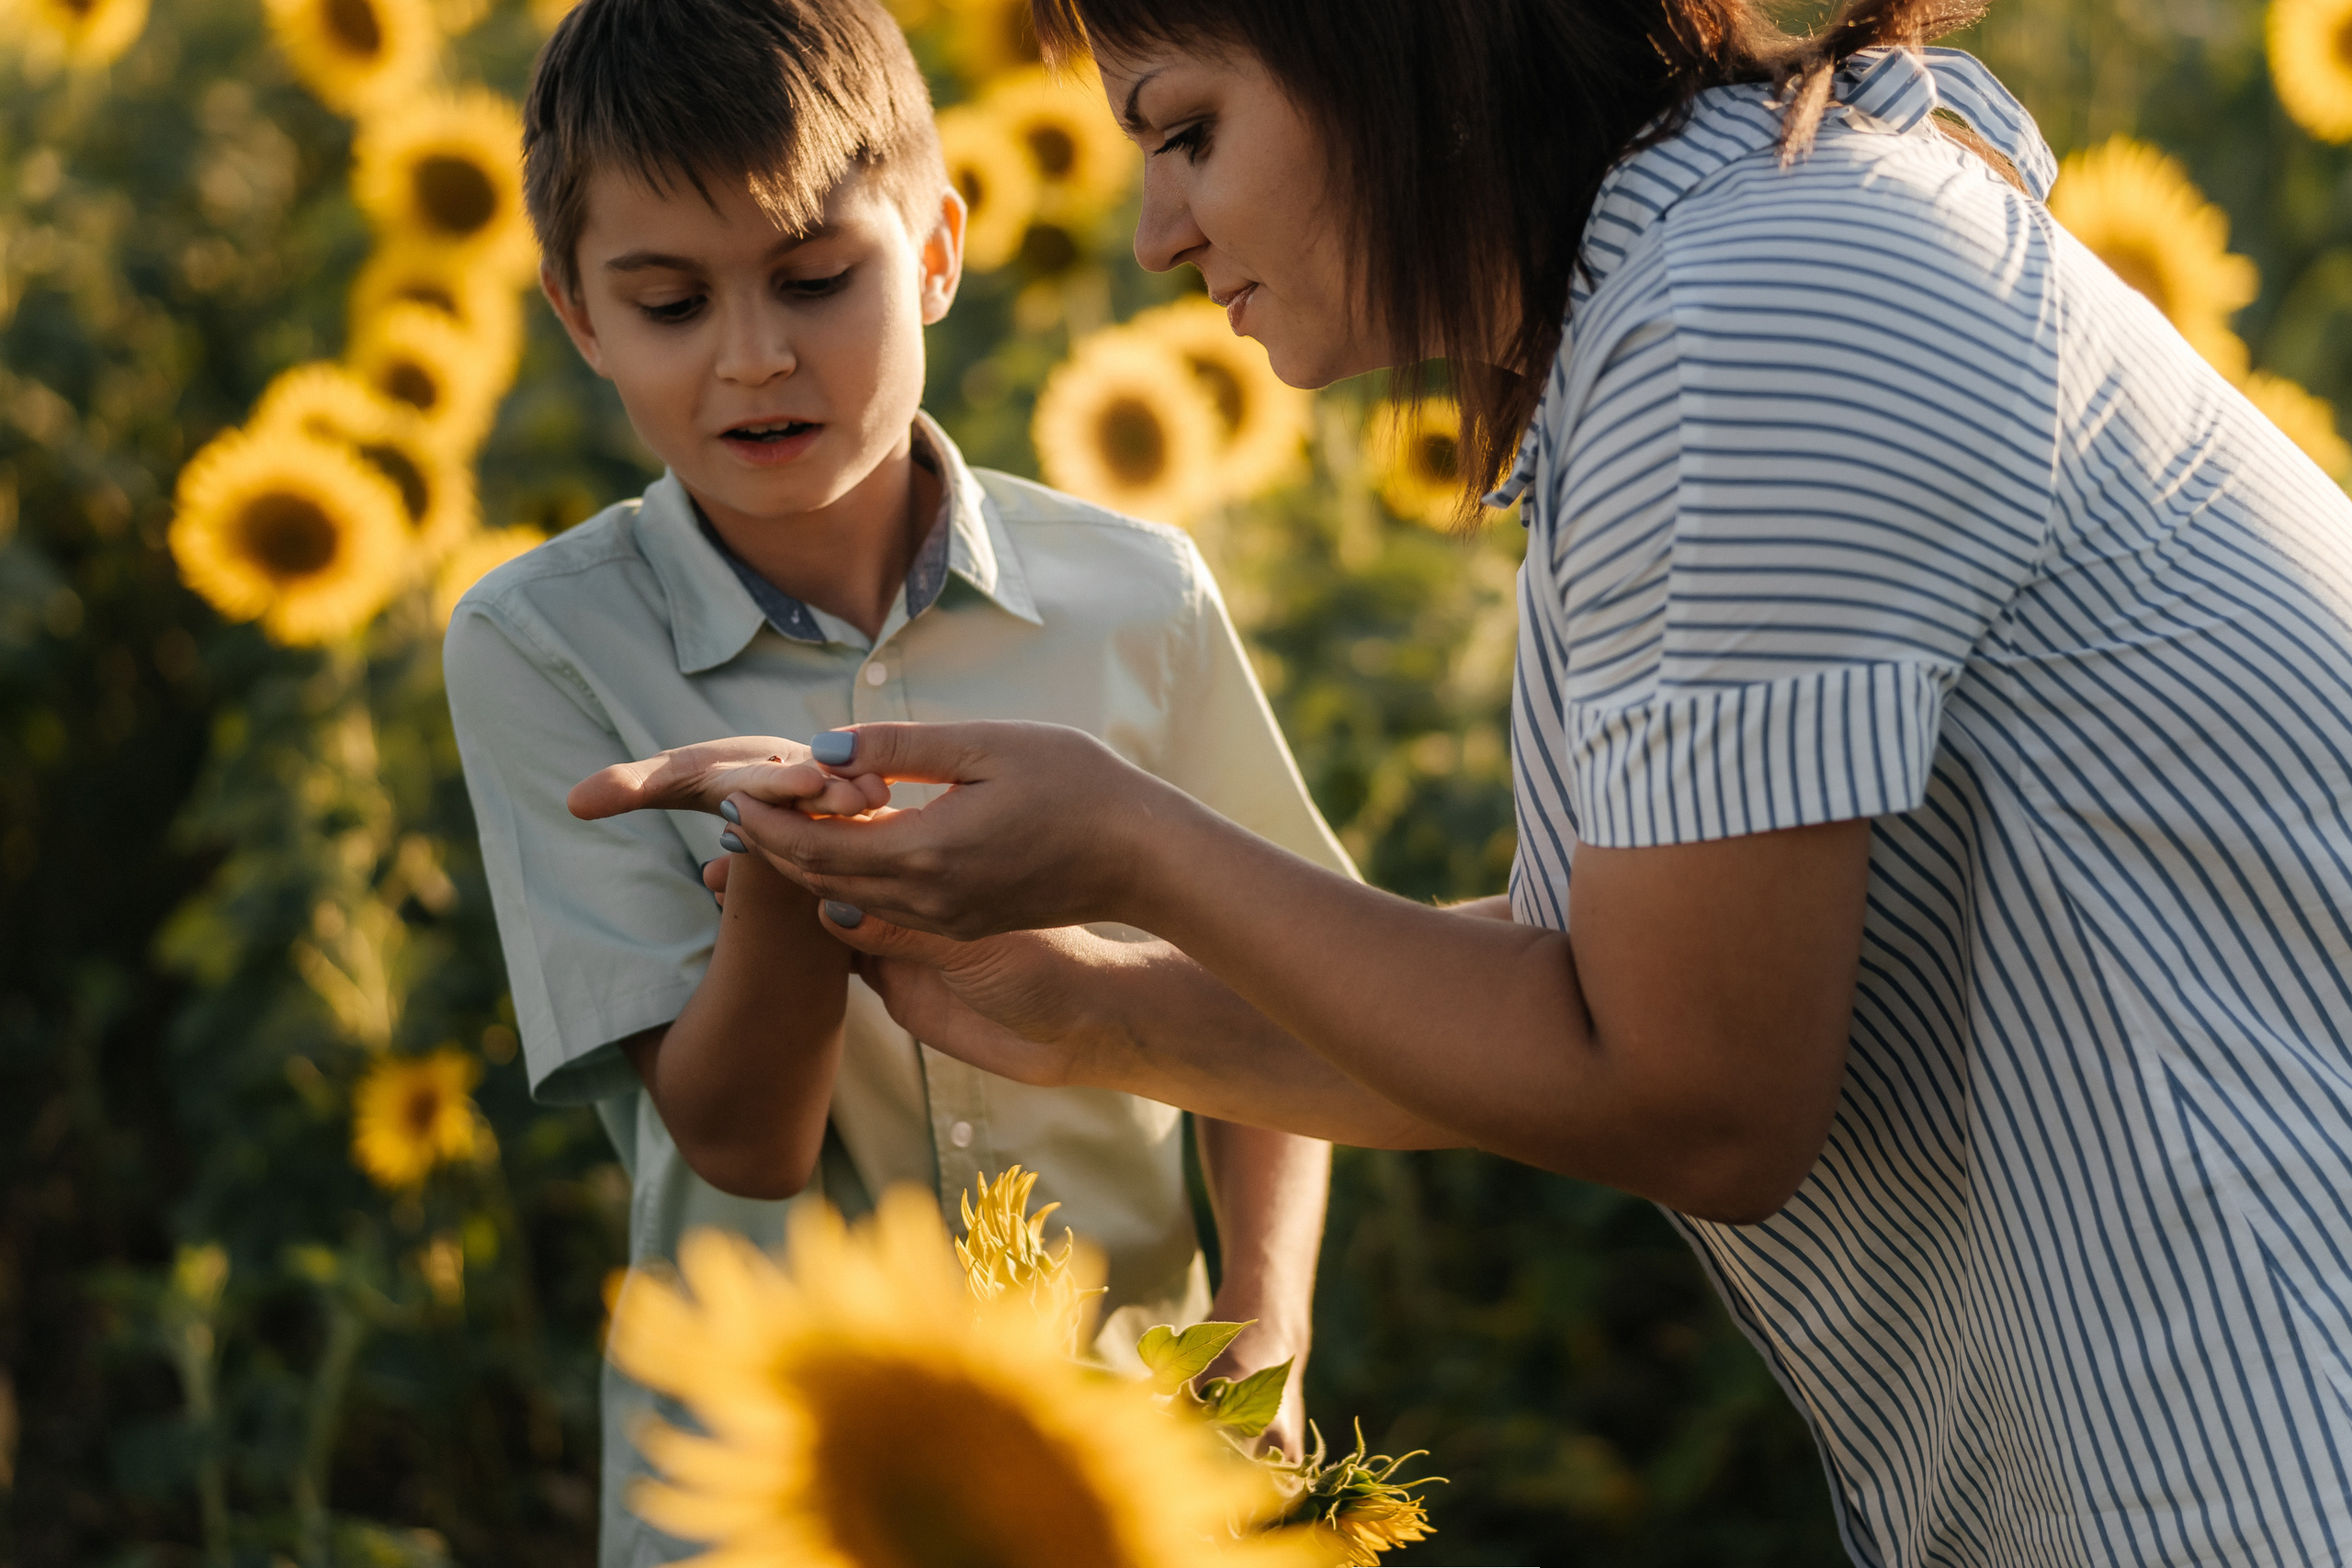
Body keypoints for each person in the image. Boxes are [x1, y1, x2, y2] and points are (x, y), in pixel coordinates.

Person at [591, 0, 2352, 1562]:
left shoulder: (1752, 315)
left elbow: (1700, 1096)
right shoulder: (1743, 257)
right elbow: (1623, 977)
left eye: (1189, 129)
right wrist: (1081, 1006)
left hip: (2262, 1434)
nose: (1155, 232)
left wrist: (1129, 846)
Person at [441, 3, 1347, 1562]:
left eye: (815, 281)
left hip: (1118, 1457)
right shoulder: (543, 647)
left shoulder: (1137, 595)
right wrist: (791, 870)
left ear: (935, 250)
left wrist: (1267, 1318)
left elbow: (1298, 991)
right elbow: (742, 1145)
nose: (755, 357)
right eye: (669, 304)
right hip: (766, 1499)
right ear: (578, 315)